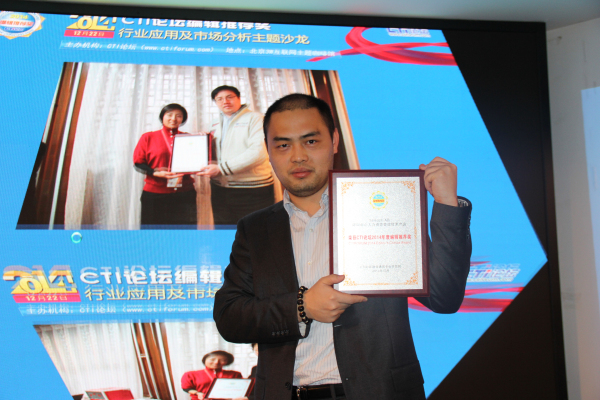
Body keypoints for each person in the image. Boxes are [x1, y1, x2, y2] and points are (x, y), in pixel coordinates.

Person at [213, 93, 472, 400]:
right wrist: (302, 307)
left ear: (334, 141)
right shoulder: (255, 228)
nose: (297, 156)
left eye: (311, 141)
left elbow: (444, 297)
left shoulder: (382, 205)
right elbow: (230, 317)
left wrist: (446, 203)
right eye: (283, 145)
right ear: (268, 150)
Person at [196, 85, 274, 226]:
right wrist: (202, 141)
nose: (225, 101)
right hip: (220, 188)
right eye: (219, 99)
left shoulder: (256, 119)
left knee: (255, 231)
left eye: (229, 97)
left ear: (238, 98)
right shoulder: (214, 123)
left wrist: (221, 169)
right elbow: (214, 153)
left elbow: (259, 152)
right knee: (224, 231)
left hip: (252, 189)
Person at [133, 103, 197, 227]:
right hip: (155, 195)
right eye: (169, 115)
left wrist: (205, 139)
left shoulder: (189, 138)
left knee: (185, 232)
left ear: (183, 120)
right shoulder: (148, 137)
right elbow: (138, 163)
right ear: (162, 117)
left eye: (179, 116)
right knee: (153, 233)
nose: (173, 118)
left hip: (184, 193)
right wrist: (156, 173)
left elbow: (197, 161)